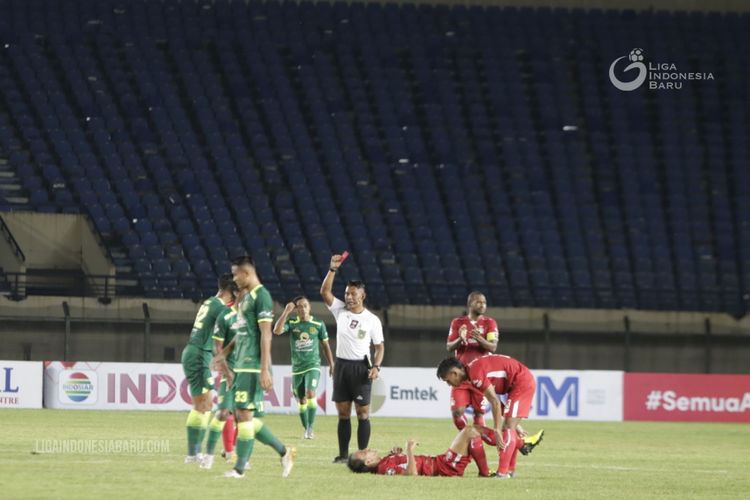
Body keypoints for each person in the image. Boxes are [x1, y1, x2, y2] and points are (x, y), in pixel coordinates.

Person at [214, 256, 296, 478]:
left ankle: (239, 468)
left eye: (236, 274)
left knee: (243, 416)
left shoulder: (262, 296)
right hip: (240, 365)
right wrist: (224, 354)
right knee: (246, 418)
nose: (234, 279)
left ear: (246, 273)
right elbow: (242, 334)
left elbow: (266, 333)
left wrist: (264, 368)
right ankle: (284, 451)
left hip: (252, 366)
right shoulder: (246, 298)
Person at [320, 253, 385, 463]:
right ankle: (342, 455)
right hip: (341, 367)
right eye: (347, 293)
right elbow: (324, 291)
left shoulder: (372, 320)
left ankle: (363, 454)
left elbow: (379, 347)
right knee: (343, 413)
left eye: (353, 294)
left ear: (362, 296)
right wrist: (332, 269)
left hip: (361, 368)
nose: (348, 297)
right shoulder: (340, 310)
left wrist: (376, 366)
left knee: (363, 413)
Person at [437, 355, 540, 479]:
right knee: (509, 427)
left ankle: (502, 473)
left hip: (521, 383)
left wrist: (497, 428)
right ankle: (510, 470)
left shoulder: (475, 374)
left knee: (506, 428)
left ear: (454, 373)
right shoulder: (472, 374)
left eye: (448, 380)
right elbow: (497, 403)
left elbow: (495, 402)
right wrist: (515, 424)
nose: (449, 385)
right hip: (518, 383)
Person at [181, 273, 237, 465]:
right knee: (204, 406)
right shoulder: (221, 308)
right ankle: (192, 454)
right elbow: (217, 343)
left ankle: (193, 454)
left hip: (194, 352)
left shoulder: (209, 302)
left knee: (202, 406)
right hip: (198, 354)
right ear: (232, 290)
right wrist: (227, 371)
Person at [273, 295, 335, 439]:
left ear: (310, 307)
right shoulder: (292, 323)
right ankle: (306, 427)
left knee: (310, 393)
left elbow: (325, 345)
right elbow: (276, 331)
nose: (302, 309)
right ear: (296, 310)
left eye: (305, 305)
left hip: (313, 365)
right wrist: (286, 312)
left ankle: (310, 428)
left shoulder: (318, 324)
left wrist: (332, 363)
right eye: (299, 306)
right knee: (301, 400)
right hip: (297, 368)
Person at [347, 426, 491, 477]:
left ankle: (505, 441)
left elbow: (400, 465)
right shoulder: (384, 469)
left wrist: (395, 453)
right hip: (445, 467)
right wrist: (409, 450)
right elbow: (412, 474)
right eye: (364, 452)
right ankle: (504, 442)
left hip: (441, 462)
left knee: (471, 434)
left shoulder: (384, 463)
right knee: (469, 432)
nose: (367, 449)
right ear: (368, 462)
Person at [446, 291, 498, 430]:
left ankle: (476, 445)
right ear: (470, 304)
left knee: (478, 413)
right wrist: (460, 339)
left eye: (484, 303)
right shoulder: (458, 323)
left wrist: (479, 339)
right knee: (457, 412)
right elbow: (449, 346)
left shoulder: (489, 323)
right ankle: (467, 439)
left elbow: (493, 347)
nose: (482, 305)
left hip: (480, 376)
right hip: (461, 376)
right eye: (479, 302)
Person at [200, 302, 242, 469]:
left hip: (248, 373)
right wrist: (225, 369)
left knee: (244, 417)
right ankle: (215, 454)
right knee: (224, 412)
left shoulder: (254, 318)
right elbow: (219, 347)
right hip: (230, 372)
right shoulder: (225, 317)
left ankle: (233, 452)